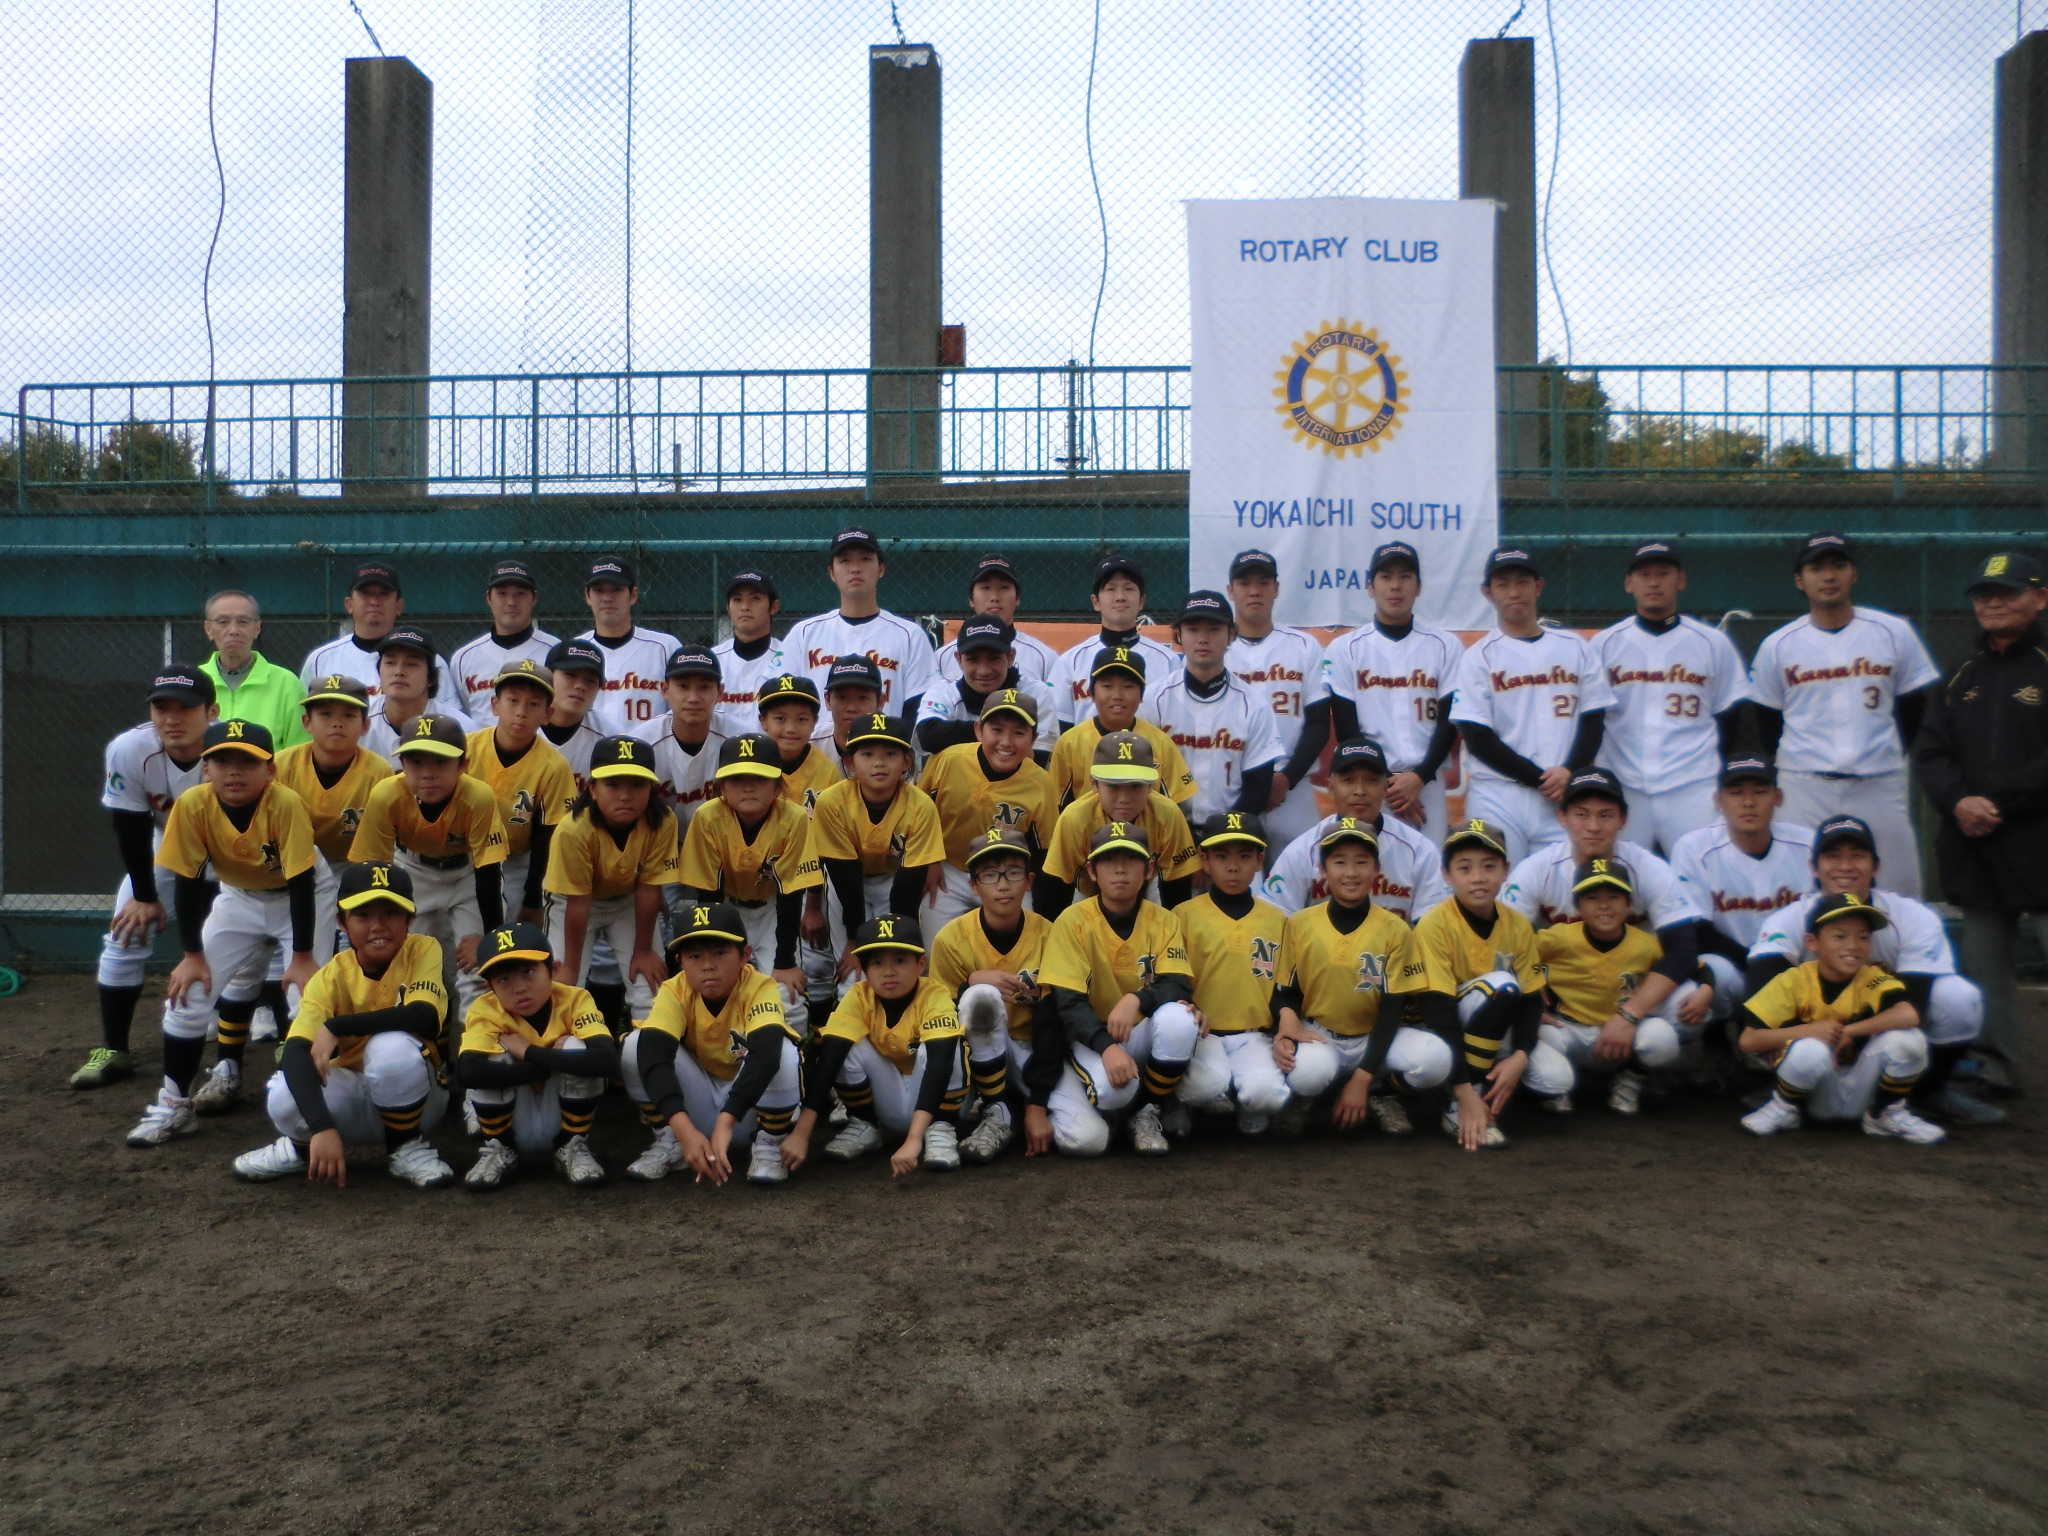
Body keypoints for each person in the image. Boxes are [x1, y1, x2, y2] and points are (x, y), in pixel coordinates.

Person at [126, 721, 319, 1144]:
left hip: (300, 897)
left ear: (270, 770)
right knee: (188, 993)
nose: (234, 770)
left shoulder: (285, 803)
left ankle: (309, 1106)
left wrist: (303, 957)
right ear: (205, 768)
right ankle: (176, 1105)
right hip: (238, 897)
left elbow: (303, 883)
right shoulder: (192, 805)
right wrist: (191, 956)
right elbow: (188, 882)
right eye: (222, 760)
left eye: (247, 761)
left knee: (309, 999)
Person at [1744, 815, 1992, 1127]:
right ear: (1814, 868)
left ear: (1875, 867)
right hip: (1813, 1039)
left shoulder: (1913, 917)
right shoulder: (1788, 920)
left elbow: (1912, 1007)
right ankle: (1789, 1090)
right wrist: (1803, 1036)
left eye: (1857, 856)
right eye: (1833, 856)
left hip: (1879, 1034)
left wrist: (1848, 1033)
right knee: (1799, 1041)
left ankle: (1927, 1090)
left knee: (1959, 998)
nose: (1845, 866)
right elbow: (1759, 999)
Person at [1912, 550, 2048, 1103]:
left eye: (2006, 593)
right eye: (1983, 595)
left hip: (2037, 838)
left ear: (2040, 597)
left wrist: (1997, 802)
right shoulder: (1961, 673)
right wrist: (1958, 801)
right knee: (1986, 962)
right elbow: (1931, 750)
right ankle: (1996, 1068)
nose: (1992, 603)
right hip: (1977, 842)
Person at [228, 861, 456, 1189]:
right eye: (362, 915)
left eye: (390, 913)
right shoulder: (330, 976)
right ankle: (303, 1148)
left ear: (409, 918)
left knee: (391, 1046)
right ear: (342, 922)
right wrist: (321, 1127)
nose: (377, 925)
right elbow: (295, 1051)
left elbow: (423, 1015)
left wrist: (337, 1026)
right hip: (350, 1096)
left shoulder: (422, 949)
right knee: (282, 1091)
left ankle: (405, 1145)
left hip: (420, 1099)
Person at [1748, 530, 1940, 896]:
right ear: (1799, 580)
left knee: (1897, 889)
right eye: (1817, 568)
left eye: (1838, 565)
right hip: (1804, 785)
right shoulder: (1777, 645)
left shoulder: (1894, 632)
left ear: (1854, 574)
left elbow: (1913, 708)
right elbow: (1768, 722)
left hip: (1878, 781)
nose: (1829, 576)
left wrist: (1884, 753)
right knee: (1800, 889)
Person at [74, 665, 223, 1090]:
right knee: (125, 931)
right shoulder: (130, 748)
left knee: (249, 942)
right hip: (168, 846)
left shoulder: (233, 744)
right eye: (161, 708)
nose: (172, 719)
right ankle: (114, 1049)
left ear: (211, 712)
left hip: (234, 851)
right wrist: (144, 896)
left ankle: (247, 1052)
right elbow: (130, 826)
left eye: (185, 708)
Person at [1271, 818, 1451, 1136]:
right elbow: (1286, 991)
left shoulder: (1395, 928)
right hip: (1322, 1035)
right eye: (1339, 862)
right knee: (1307, 1075)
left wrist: (1363, 1078)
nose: (1351, 872)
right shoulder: (1300, 923)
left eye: (1361, 862)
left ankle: (1381, 1091)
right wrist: (1287, 1022)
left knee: (1436, 1059)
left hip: (1376, 1035)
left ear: (1376, 869)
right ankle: (1309, 1097)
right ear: (1323, 869)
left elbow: (1393, 1008)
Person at [1500, 769, 1709, 1042]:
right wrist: (1529, 983)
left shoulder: (1649, 868)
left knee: (1688, 1001)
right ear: (1562, 817)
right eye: (1582, 814)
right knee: (1505, 986)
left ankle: (1643, 1060)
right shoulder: (1537, 870)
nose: (1593, 826)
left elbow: (1682, 949)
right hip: (1565, 988)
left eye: (1605, 815)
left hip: (1633, 984)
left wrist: (1632, 1012)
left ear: (1623, 819)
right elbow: (1503, 943)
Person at [1038, 822, 1201, 1156]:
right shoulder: (1072, 921)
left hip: (1139, 1032)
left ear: (1149, 869)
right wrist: (1106, 1047)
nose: (1121, 869)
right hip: (1090, 1037)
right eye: (1109, 860)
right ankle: (1101, 1105)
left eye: (1131, 859)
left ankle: (1147, 1110)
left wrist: (1137, 999)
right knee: (1113, 1094)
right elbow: (1067, 1003)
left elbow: (1177, 984)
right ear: (1092, 871)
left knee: (1180, 1020)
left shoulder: (1164, 920)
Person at [1736, 893, 1946, 1144]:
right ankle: (1784, 1108)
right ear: (1812, 942)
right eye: (1839, 936)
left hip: (1864, 1085)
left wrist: (1848, 1031)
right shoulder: (1794, 980)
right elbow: (1748, 1040)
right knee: (1809, 1048)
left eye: (1863, 937)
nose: (1853, 945)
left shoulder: (1872, 977)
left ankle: (1885, 1113)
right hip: (1814, 1093)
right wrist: (1810, 1031)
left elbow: (1908, 1014)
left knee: (1909, 1039)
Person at [1449, 546, 1615, 865]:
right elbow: (1477, 736)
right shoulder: (1479, 657)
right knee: (1497, 887)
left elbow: (1594, 719)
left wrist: (1570, 772)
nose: (1514, 592)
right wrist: (1541, 779)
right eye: (1503, 584)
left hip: (1565, 792)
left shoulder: (1576, 648)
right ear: (1488, 593)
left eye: (1522, 582)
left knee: (1567, 887)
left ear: (1538, 586)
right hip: (1499, 794)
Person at [620, 901, 805, 1185]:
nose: (707, 965)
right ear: (680, 961)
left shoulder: (759, 986)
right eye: (694, 956)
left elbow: (766, 1056)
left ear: (745, 955)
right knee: (636, 1045)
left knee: (782, 1050)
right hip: (695, 1105)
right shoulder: (675, 989)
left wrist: (726, 1122)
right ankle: (671, 1139)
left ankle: (769, 1143)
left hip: (749, 1111)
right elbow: (654, 1055)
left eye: (719, 952)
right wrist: (684, 1130)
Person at [1589, 541, 1750, 854]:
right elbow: (1591, 718)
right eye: (1644, 575)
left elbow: (1729, 715)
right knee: (1618, 875)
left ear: (1681, 580)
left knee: (1704, 869)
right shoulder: (1604, 644)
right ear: (1628, 583)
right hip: (1623, 785)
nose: (1654, 582)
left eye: (1663, 574)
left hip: (1694, 785)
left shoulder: (1712, 642)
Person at [1409, 818, 1560, 1149]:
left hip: (1492, 1025)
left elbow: (1532, 997)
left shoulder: (1517, 924)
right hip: (1442, 1027)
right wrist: (1465, 1090)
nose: (1478, 877)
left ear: (1506, 870)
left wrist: (1520, 1055)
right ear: (1446, 874)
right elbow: (1437, 1010)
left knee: (1557, 1080)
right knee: (1502, 985)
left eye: (1489, 866)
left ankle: (1493, 1081)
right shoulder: (1434, 924)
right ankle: (1463, 1099)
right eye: (1465, 868)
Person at [347, 715, 509, 1014]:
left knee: (475, 969)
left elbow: (487, 872)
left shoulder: (478, 797)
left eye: (440, 761)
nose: (427, 773)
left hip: (467, 875)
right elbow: (372, 870)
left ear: (463, 765)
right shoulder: (387, 794)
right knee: (415, 967)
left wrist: (490, 938)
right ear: (402, 765)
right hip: (412, 871)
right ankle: (424, 1037)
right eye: (416, 762)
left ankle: (477, 1040)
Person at [1317, 541, 1464, 847]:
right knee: (1368, 864)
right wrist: (1386, 784)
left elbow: (1449, 721)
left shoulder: (1445, 645)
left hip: (1426, 782)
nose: (1395, 586)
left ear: (1418, 587)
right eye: (1386, 577)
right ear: (1370, 587)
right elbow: (1346, 728)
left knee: (1428, 865)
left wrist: (1419, 777)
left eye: (1405, 577)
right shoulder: (1345, 649)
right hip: (1369, 780)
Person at [1534, 858, 1704, 1117]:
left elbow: (1693, 965)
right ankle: (1557, 1088)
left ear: (1629, 905)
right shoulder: (1559, 937)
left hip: (1622, 1036)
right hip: (1570, 1031)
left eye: (1613, 897)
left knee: (1660, 1036)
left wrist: (1707, 988)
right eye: (1592, 898)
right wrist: (1532, 987)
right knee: (1544, 1033)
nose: (1603, 905)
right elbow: (1517, 951)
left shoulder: (1645, 944)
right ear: (1577, 906)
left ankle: (1631, 1078)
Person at [801, 915, 970, 1175]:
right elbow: (830, 1059)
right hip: (892, 1100)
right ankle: (865, 1124)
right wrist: (801, 1134)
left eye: (900, 960)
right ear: (865, 969)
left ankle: (941, 1128)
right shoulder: (859, 996)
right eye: (877, 962)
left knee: (946, 1046)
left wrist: (913, 1140)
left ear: (920, 964)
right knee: (842, 1043)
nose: (888, 971)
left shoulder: (934, 994)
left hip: (938, 1102)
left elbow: (940, 1063)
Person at [456, 922, 619, 1190]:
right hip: (513, 1118)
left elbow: (607, 1060)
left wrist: (530, 1052)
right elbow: (468, 1071)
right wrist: (547, 1064)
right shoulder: (485, 1008)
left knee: (577, 1046)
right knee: (492, 1054)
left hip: (561, 1113)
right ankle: (499, 1148)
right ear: (490, 986)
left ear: (553, 969)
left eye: (528, 971)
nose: (519, 988)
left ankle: (572, 1144)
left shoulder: (575, 998)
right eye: (504, 979)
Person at [676, 733, 824, 1027]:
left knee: (787, 997)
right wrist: (717, 951)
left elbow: (791, 894)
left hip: (773, 910)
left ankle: (792, 1051)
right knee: (720, 987)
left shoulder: (794, 817)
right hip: (726, 908)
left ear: (778, 786)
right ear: (721, 787)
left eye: (759, 778)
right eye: (737, 778)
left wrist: (785, 962)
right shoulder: (707, 817)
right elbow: (708, 897)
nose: (748, 786)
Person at [931, 828, 1054, 1163]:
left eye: (1013, 872)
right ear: (974, 885)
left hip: (1032, 1052)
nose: (1002, 884)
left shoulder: (1050, 934)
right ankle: (996, 1109)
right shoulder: (951, 938)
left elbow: (1057, 1016)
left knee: (1081, 1136)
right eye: (989, 874)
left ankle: (1011, 1108)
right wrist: (968, 983)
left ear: (1029, 881)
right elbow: (937, 1015)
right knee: (981, 996)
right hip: (976, 1056)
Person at [543, 735, 678, 1025]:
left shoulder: (663, 820)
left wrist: (643, 950)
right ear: (592, 788)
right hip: (575, 905)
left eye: (638, 785)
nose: (625, 795)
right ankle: (572, 1051)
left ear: (652, 789)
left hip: (629, 900)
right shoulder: (573, 829)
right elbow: (579, 901)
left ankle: (643, 1049)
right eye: (613, 784)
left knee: (650, 990)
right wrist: (571, 967)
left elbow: (649, 887)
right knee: (563, 989)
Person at [1667, 757, 1814, 1022]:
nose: (1748, 802)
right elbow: (1697, 931)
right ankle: (1718, 1034)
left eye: (1760, 791)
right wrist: (1759, 965)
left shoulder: (1808, 845)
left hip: (1795, 963)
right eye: (1736, 793)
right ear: (1718, 801)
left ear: (1778, 797)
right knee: (1712, 972)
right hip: (1735, 965)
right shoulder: (1693, 848)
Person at [1173, 812, 1291, 1137]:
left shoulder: (1278, 920)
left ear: (1260, 861)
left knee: (1268, 1095)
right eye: (1222, 856)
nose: (1234, 866)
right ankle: (1178, 1100)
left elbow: (1284, 986)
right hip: (1202, 1034)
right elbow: (1172, 981)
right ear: (1205, 860)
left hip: (1253, 1034)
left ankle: (1247, 1102)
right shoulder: (1183, 915)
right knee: (1203, 1087)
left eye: (1244, 856)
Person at [813, 714, 946, 978]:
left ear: (906, 761)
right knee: (853, 976)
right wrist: (854, 940)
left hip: (894, 878)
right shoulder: (831, 802)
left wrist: (898, 944)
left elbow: (907, 886)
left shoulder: (921, 805)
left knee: (898, 966)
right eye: (867, 754)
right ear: (850, 762)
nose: (879, 763)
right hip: (844, 885)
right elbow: (845, 877)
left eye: (890, 754)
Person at [1261, 736, 1446, 923]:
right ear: (1331, 788)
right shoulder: (1302, 851)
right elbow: (1274, 918)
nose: (1360, 791)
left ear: (1385, 788)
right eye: (1348, 780)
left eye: (1371, 780)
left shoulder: (1419, 850)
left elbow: (1435, 925)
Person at [275, 675, 391, 961]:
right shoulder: (281, 766)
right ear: (307, 722)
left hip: (350, 865)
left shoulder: (379, 773)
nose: (337, 723)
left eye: (349, 715)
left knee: (353, 933)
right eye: (325, 714)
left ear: (365, 725)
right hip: (289, 865)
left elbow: (380, 847)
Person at [917, 690, 1054, 927]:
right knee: (936, 943)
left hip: (1008, 875)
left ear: (1033, 740)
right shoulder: (948, 759)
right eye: (997, 730)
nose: (1006, 742)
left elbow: (1044, 851)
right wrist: (929, 862)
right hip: (948, 870)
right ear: (979, 730)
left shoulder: (1041, 784)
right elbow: (917, 817)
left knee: (1023, 937)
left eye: (1019, 733)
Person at [1148, 591, 1282, 829]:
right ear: (1178, 634)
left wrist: (1221, 838)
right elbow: (1145, 777)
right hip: (1168, 831)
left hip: (1233, 834)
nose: (1203, 639)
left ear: (1231, 634)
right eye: (1192, 629)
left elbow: (1258, 786)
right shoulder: (1154, 698)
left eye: (1213, 629)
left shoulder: (1254, 705)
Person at [1223, 549, 1330, 847]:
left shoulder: (1304, 646)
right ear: (1230, 590)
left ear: (1276, 588)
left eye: (1263, 582)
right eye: (1244, 583)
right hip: (1235, 785)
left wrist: (1287, 778)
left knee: (1303, 871)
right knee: (1237, 872)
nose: (1254, 591)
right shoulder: (1217, 648)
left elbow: (1319, 722)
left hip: (1292, 787)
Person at [779, 526, 937, 718]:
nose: (855, 568)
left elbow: (919, 708)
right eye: (845, 560)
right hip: (820, 738)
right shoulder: (803, 634)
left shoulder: (910, 636)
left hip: (884, 736)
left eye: (865, 559)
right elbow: (779, 701)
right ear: (831, 572)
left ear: (881, 568)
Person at [1037, 732, 1201, 917]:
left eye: (1135, 785)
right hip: (1086, 890)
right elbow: (1057, 886)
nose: (1124, 798)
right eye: (1113, 786)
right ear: (1094, 783)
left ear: (1150, 786)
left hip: (1147, 886)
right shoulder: (1074, 818)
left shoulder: (1168, 814)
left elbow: (1177, 887)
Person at [464, 660, 576, 928]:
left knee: (513, 931)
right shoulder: (466, 748)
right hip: (462, 854)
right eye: (512, 700)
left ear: (548, 714)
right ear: (495, 705)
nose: (521, 712)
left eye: (534, 704)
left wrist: (534, 899)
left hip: (517, 860)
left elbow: (548, 837)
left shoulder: (554, 765)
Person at [299, 558, 465, 716]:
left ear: (399, 606)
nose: (374, 601)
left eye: (384, 594)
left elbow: (449, 716)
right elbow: (306, 717)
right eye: (365, 593)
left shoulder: (427, 659)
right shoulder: (320, 659)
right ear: (349, 604)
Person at [1047, 645, 1198, 810]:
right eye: (1107, 686)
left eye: (1128, 687)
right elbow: (1057, 804)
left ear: (1142, 694)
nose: (1117, 696)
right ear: (1091, 693)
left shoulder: (1160, 742)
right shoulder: (1070, 743)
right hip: (1087, 826)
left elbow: (1175, 805)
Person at [1052, 554, 1182, 725]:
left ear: (1142, 600)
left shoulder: (1168, 661)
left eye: (1129, 588)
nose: (1120, 596)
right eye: (1111, 589)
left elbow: (1175, 724)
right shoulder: (1070, 661)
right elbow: (1060, 727)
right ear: (1095, 601)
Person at [915, 616, 1060, 764]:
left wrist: (964, 739)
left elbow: (1036, 760)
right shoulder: (944, 691)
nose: (984, 671)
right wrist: (999, 733)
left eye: (994, 658)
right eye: (973, 659)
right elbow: (928, 736)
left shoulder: (1036, 693)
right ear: (959, 660)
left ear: (1010, 657)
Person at [575, 553, 682, 729]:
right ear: (587, 596)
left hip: (650, 745)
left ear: (633, 595)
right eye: (599, 590)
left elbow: (679, 712)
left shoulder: (665, 647)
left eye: (616, 589)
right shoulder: (574, 650)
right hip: (591, 746)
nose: (607, 597)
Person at [633, 644, 731, 826]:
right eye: (683, 686)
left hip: (723, 841)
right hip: (657, 840)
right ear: (665, 690)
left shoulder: (739, 738)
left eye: (704, 687)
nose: (693, 698)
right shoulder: (641, 742)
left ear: (720, 693)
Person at [198, 589, 309, 749]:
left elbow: (300, 751)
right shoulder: (195, 681)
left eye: (243, 622)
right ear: (208, 629)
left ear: (257, 628)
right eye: (223, 622)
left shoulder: (286, 683)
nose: (233, 630)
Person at [449, 558, 560, 713]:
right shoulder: (463, 658)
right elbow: (461, 716)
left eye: (520, 593)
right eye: (502, 593)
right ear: (489, 598)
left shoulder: (556, 651)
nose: (511, 602)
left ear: (534, 599)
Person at [934, 553, 1061, 686]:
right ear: (971, 599)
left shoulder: (1044, 657)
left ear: (1017, 597)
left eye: (1004, 587)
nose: (994, 597)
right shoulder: (943, 657)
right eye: (986, 588)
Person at [363, 625, 471, 759]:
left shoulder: (462, 729)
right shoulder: (360, 721)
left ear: (430, 677)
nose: (399, 671)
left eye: (411, 664)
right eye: (390, 662)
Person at [539, 638, 629, 784]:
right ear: (548, 676)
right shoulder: (519, 725)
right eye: (570, 675)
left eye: (591, 680)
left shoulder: (612, 738)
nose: (580, 686)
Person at [711, 568, 786, 735]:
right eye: (737, 600)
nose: (745, 607)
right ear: (728, 608)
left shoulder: (788, 657)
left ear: (774, 607)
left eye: (755, 598)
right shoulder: (712, 660)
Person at [754, 671, 842, 812]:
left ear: (814, 722)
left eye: (801, 719)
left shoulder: (827, 772)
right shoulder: (750, 765)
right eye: (780, 719)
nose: (791, 729)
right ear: (763, 720)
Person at [815, 654, 888, 763]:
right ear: (827, 700)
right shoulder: (807, 745)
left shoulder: (895, 749)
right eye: (842, 697)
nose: (851, 708)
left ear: (880, 702)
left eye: (862, 698)